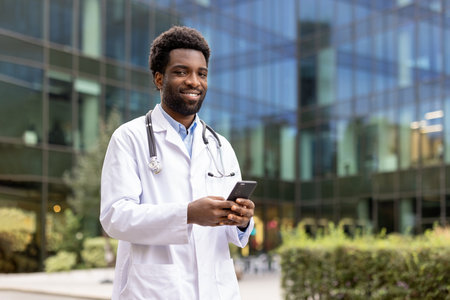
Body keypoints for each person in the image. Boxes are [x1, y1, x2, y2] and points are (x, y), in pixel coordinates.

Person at [100, 26, 255, 300]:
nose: (194, 81)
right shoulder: (129, 138)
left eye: (201, 73)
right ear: (159, 79)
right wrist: (188, 214)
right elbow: (115, 217)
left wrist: (241, 221)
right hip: (153, 290)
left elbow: (232, 235)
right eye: (182, 72)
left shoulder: (221, 147)